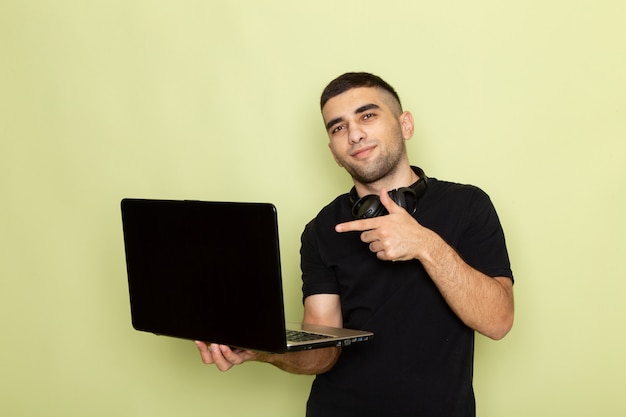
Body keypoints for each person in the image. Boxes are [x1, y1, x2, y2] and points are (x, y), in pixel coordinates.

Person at [195, 72, 514, 417]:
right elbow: (323, 352)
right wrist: (260, 349)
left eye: (367, 115)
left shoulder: (467, 205)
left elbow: (498, 321)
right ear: (333, 152)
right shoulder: (321, 230)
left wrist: (424, 244)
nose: (355, 134)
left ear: (405, 124)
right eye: (338, 127)